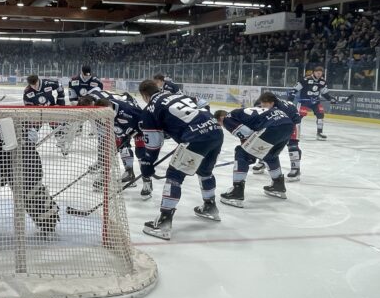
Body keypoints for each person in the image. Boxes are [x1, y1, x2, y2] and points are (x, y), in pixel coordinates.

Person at [137, 78, 224, 240]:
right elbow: (203, 104)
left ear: (144, 95)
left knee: (174, 177)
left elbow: (154, 144)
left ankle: (163, 222)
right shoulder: (178, 95)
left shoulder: (150, 109)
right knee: (205, 172)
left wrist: (148, 164)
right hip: (216, 131)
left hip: (195, 138)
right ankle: (210, 207)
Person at [216, 91, 297, 208]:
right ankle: (278, 187)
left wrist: (250, 152)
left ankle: (236, 192)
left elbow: (247, 134)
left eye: (220, 124)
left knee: (241, 152)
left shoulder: (227, 118)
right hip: (287, 124)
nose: (222, 126)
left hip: (272, 127)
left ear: (220, 118)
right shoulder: (245, 111)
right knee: (270, 154)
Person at [80, 91, 157, 197]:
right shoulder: (100, 109)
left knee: (141, 153)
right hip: (122, 126)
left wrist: (135, 131)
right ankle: (124, 173)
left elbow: (144, 120)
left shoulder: (127, 110)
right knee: (109, 148)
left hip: (138, 126)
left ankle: (147, 182)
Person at [251, 92, 304, 181]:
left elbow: (283, 124)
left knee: (292, 145)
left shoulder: (282, 108)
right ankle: (263, 161)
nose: (263, 107)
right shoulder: (259, 104)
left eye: (265, 105)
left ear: (272, 103)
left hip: (292, 121)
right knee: (265, 139)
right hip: (276, 120)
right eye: (262, 105)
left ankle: (296, 169)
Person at [296, 66, 335, 139]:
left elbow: (324, 93)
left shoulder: (323, 82)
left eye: (320, 73)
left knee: (320, 115)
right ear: (314, 72)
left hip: (315, 102)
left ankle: (319, 133)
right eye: (317, 73)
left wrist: (330, 98)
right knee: (299, 116)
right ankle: (296, 132)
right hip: (304, 101)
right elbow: (295, 89)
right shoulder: (306, 79)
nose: (319, 74)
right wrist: (292, 93)